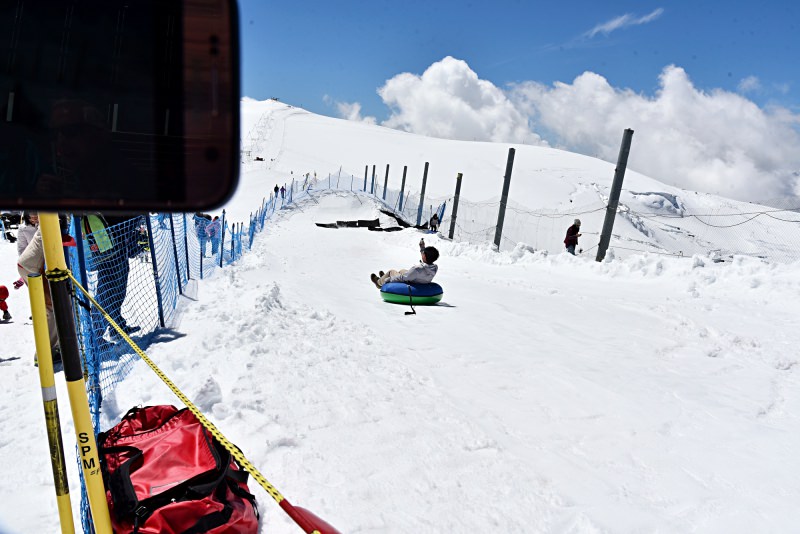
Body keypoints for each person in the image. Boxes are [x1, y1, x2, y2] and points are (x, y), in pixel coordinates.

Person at [81, 214, 140, 338]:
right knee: (107, 293)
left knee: (116, 292)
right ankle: (97, 336)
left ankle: (116, 326)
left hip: (113, 250)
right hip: (108, 252)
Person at [371, 239, 440, 288]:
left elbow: (403, 278)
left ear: (424, 256)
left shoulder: (417, 269)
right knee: (402, 271)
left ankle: (379, 282)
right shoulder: (434, 268)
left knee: (391, 272)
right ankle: (384, 277)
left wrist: (388, 279)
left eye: (423, 254)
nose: (422, 254)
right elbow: (426, 259)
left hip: (410, 283)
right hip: (420, 281)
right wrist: (422, 248)